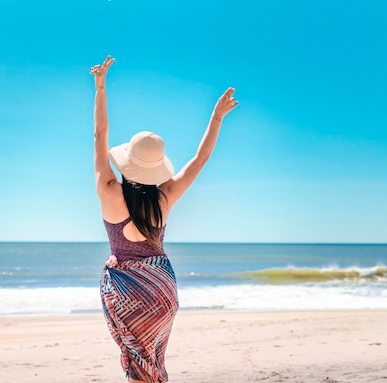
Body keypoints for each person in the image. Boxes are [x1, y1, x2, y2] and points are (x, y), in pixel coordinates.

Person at [90, 55, 238, 383]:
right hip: (161, 291)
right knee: (154, 365)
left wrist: (100, 88)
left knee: (138, 367)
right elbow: (200, 159)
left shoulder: (108, 189)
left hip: (127, 291)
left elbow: (101, 136)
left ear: (127, 161)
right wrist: (216, 117)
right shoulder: (164, 198)